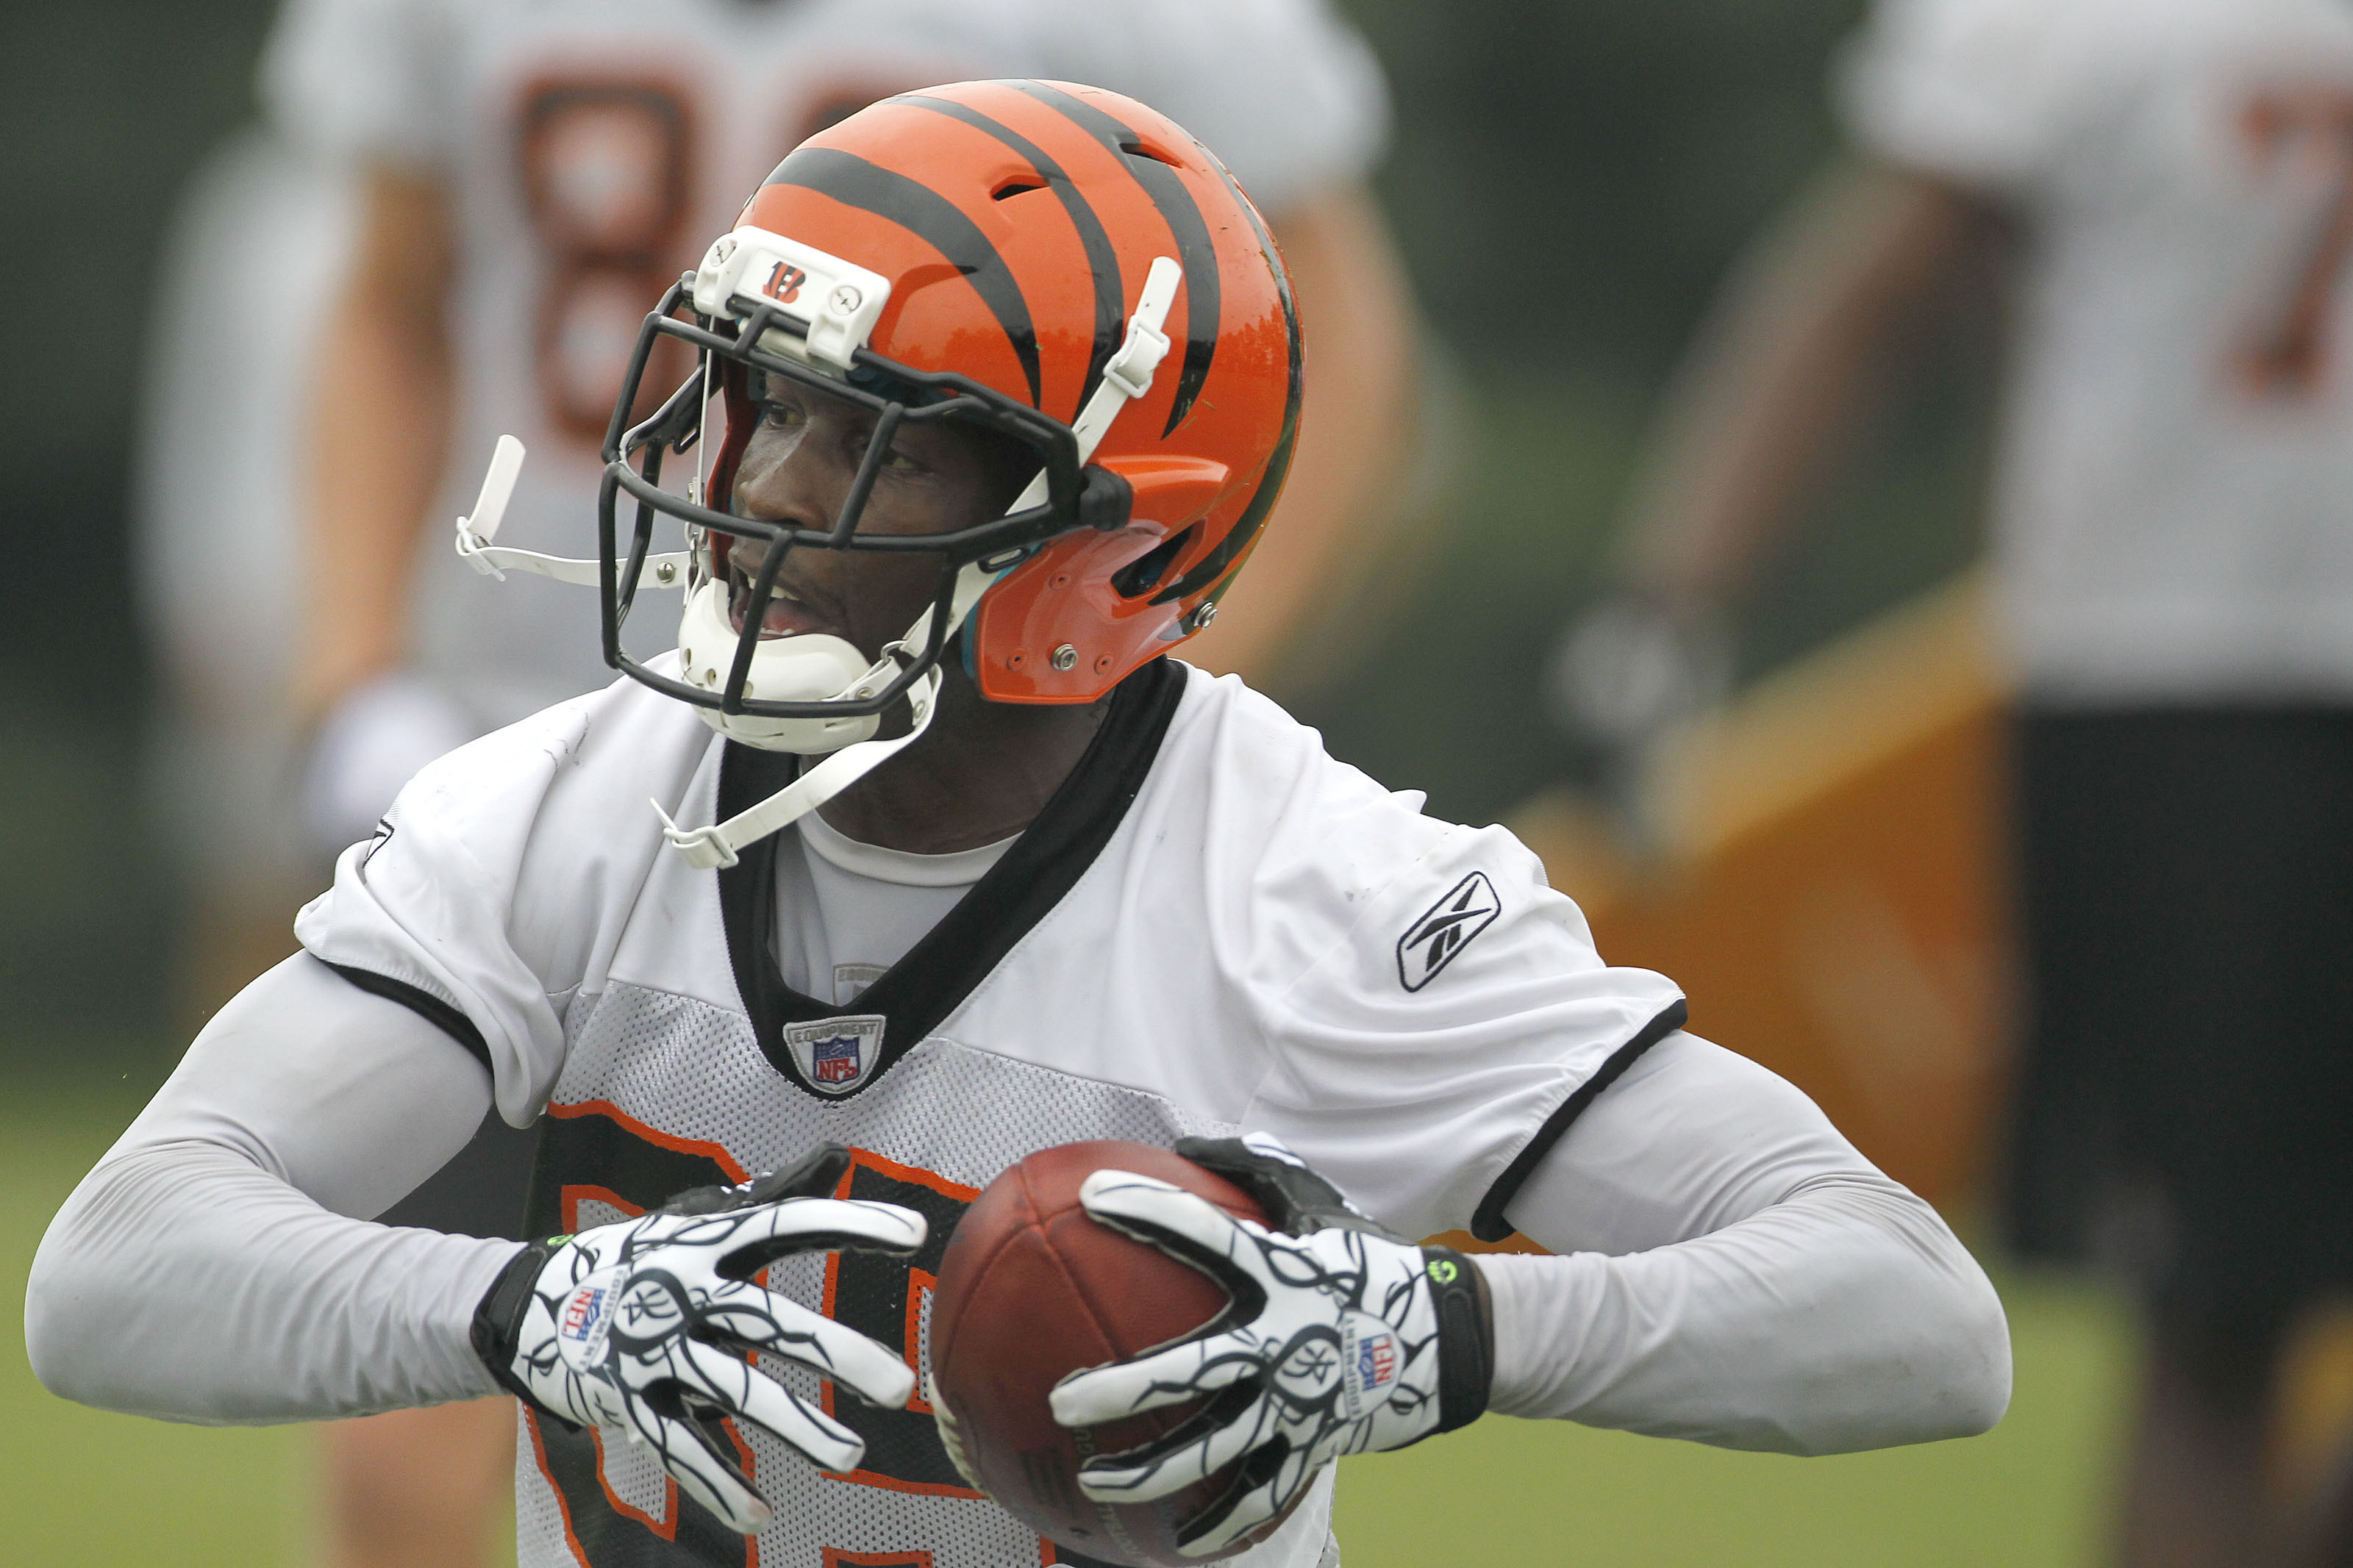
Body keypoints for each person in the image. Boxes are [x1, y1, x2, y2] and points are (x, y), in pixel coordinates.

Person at [31, 83, 2009, 1568]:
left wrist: (1418, 1328)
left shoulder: (1312, 886)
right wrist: (528, 1302)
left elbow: (1916, 1315)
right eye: (754, 401)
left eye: (859, 440)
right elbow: (112, 1271)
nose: (752, 493)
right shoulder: (563, 803)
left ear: (1104, 530)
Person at [171, 4, 1423, 1558]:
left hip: (948, 781)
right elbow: (392, 299)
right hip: (542, 773)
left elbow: (1321, 348)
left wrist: (1139, 701)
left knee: (987, 1397)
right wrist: (347, 679)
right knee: (411, 1448)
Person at [1548, 1, 2353, 1563]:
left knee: (2212, 1329)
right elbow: (1872, 285)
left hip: (2156, 694)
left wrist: (1666, 603)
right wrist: (1671, 595)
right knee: (2214, 1309)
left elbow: (1856, 295)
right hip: (2170, 687)